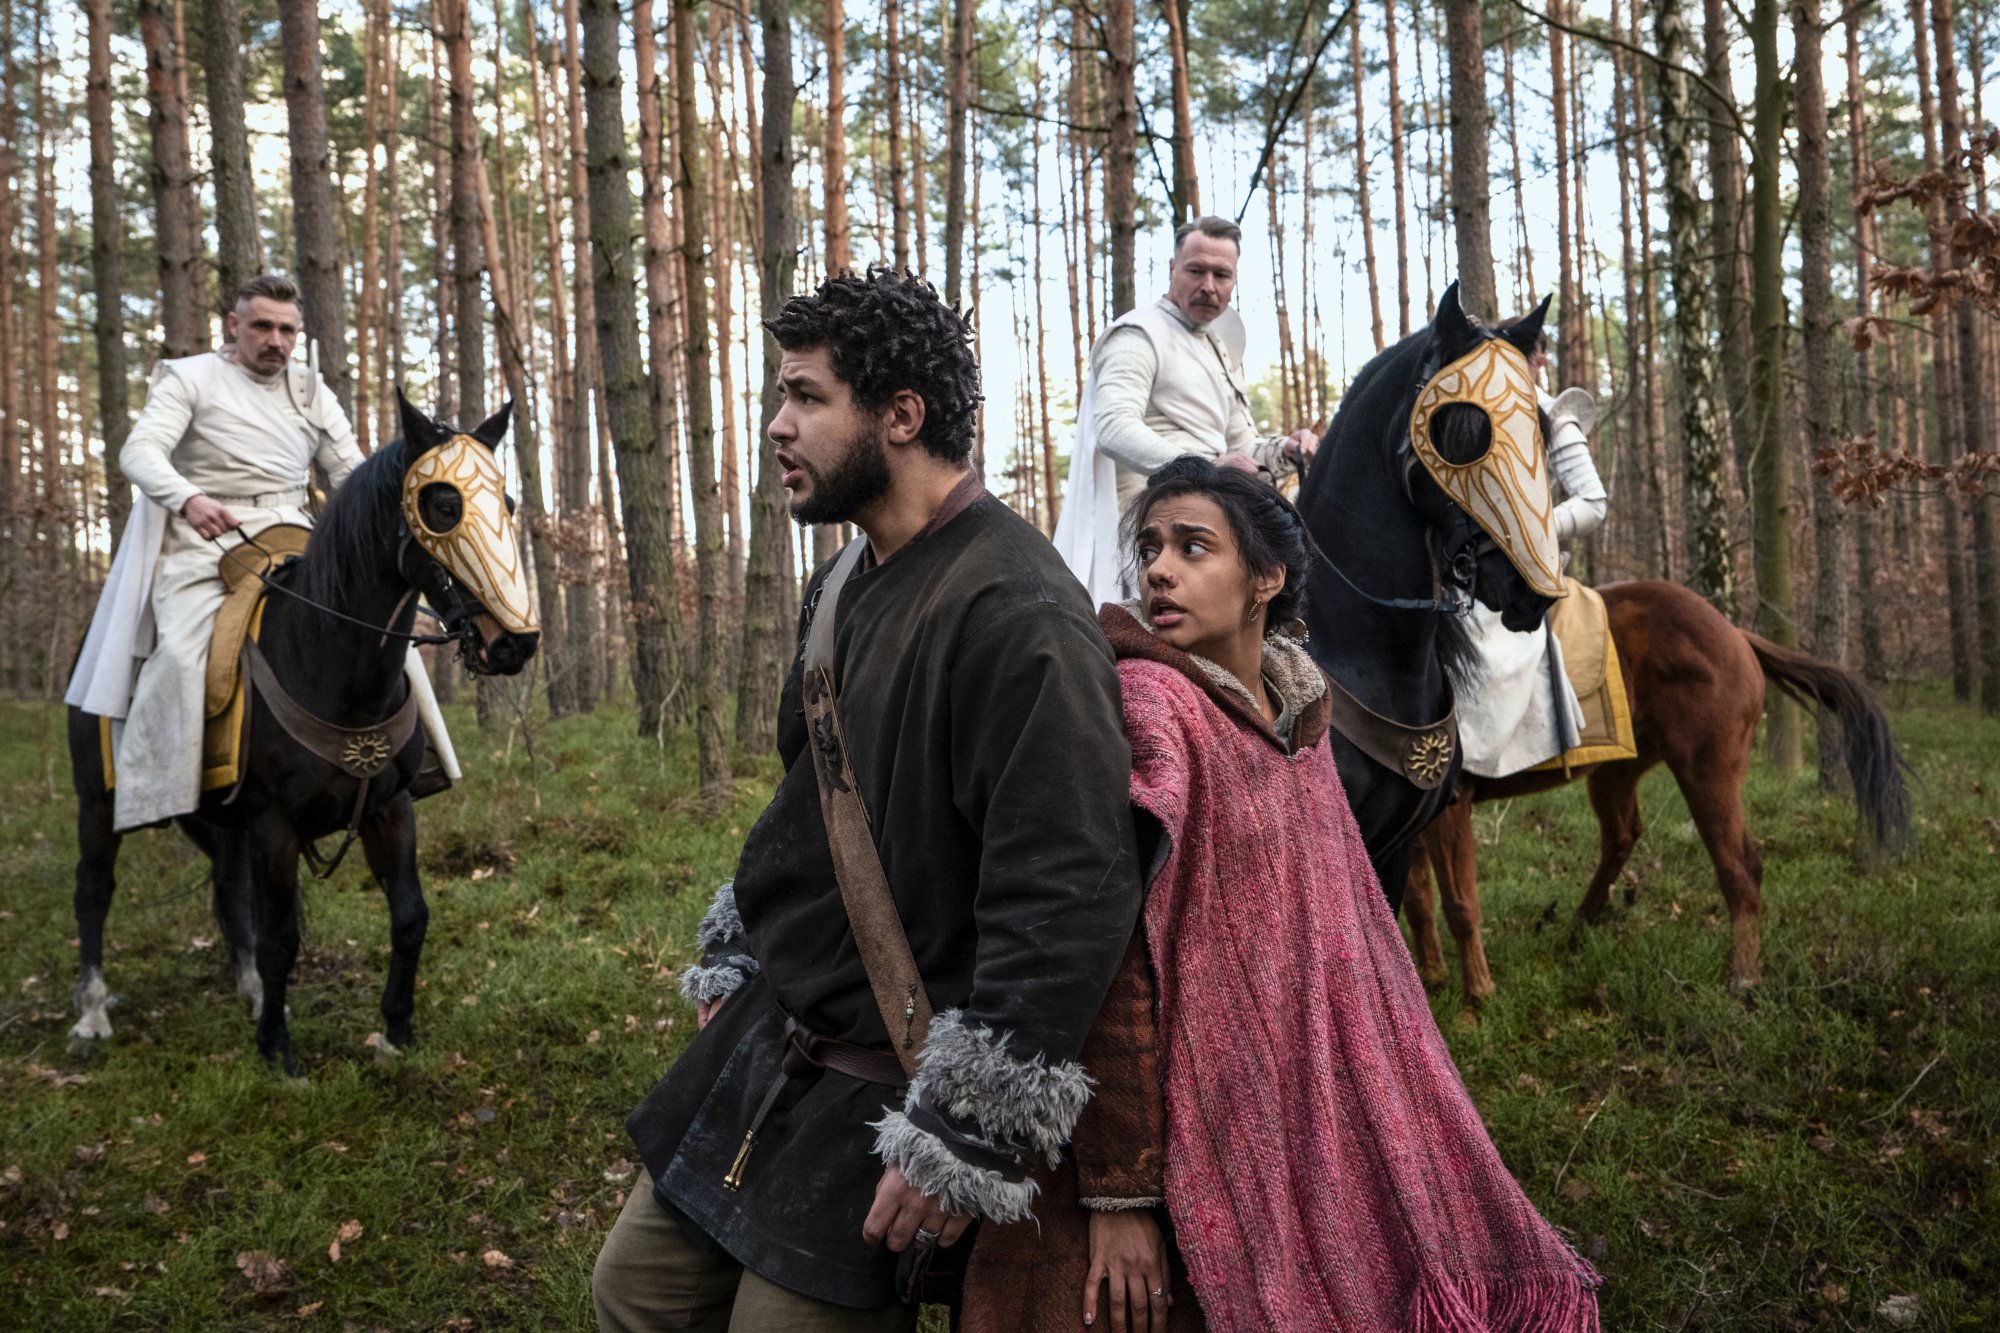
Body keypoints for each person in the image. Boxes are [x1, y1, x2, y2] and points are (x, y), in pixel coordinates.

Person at [594, 269, 1143, 1332]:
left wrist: (964, 1133)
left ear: (901, 416)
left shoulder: (1019, 613)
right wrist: (748, 946)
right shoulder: (841, 581)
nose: (775, 425)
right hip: (770, 1040)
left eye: (804, 396)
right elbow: (808, 802)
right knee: (636, 1293)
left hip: (893, 1081)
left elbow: (1067, 895)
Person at [966, 456, 1601, 1332]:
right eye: (1150, 547)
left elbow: (1344, 921)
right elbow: (1109, 961)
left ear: (1266, 578)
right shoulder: (1150, 709)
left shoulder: (1299, 713)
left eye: (1194, 547)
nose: (1158, 568)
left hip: (1307, 1091)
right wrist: (1122, 1193)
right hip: (1188, 1114)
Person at [66, 274, 373, 832]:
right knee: (182, 657)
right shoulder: (190, 378)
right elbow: (140, 451)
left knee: (376, 633)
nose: (275, 341)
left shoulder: (310, 391)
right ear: (234, 325)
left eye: (286, 330)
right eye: (261, 326)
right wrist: (189, 499)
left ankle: (406, 763)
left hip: (295, 537)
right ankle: (166, 787)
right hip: (208, 540)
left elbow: (350, 474)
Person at [1053, 216, 1321, 606]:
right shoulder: (1138, 335)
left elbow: (1242, 446)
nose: (1208, 286)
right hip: (1158, 521)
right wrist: (1207, 466)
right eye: (1196, 271)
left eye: (1221, 275)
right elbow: (1112, 426)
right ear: (1172, 269)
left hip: (1224, 509)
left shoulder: (1220, 347)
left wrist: (1285, 451)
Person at [1456, 329, 1609, 779]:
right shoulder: (1478, 415)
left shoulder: (1555, 416)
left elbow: (1593, 501)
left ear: (1539, 362)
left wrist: (1529, 528)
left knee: (1493, 654)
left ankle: (1475, 761)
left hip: (1523, 574)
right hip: (1465, 567)